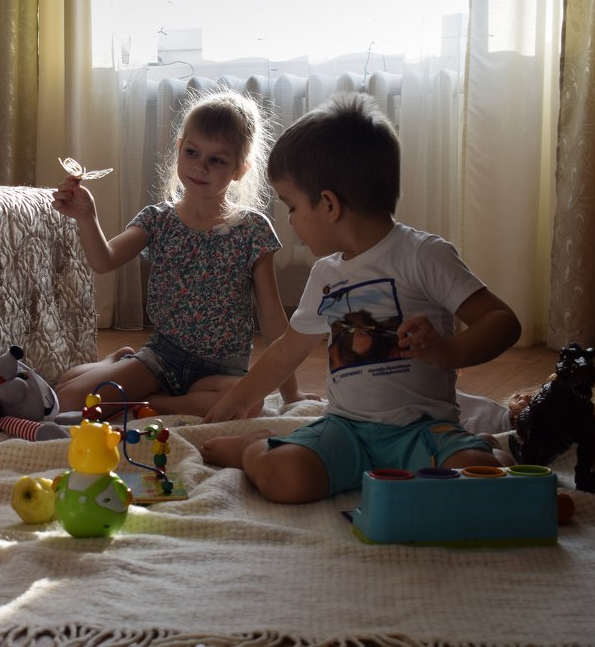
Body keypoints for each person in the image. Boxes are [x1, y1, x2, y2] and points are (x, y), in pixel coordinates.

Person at [200, 92, 522, 504]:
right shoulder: (326, 275)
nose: (291, 221)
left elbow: (502, 321)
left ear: (329, 205)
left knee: (481, 476)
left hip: (423, 431)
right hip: (346, 430)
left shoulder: (424, 255)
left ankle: (474, 452)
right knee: (286, 478)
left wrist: (451, 351)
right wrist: (237, 400)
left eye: (292, 207)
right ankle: (253, 447)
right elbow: (286, 351)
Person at [51, 89, 315, 418]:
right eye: (192, 152)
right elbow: (103, 261)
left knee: (251, 404)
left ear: (240, 169)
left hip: (221, 370)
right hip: (161, 359)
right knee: (67, 402)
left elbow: (273, 317)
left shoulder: (252, 229)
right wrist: (87, 217)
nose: (200, 166)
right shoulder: (157, 219)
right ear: (179, 149)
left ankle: (155, 402)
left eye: (216, 160)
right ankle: (116, 364)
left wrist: (292, 394)